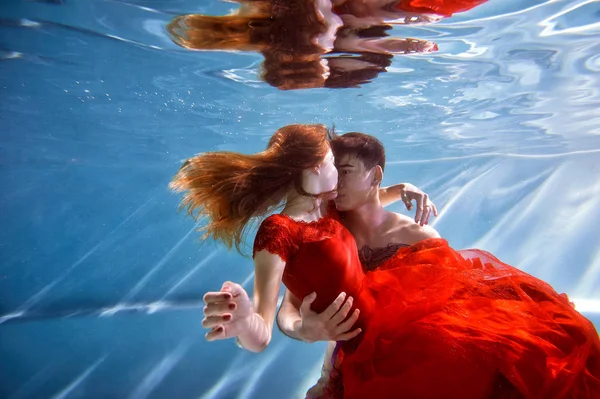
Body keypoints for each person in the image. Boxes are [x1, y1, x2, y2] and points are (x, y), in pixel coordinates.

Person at [171, 126, 600, 398]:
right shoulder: (307, 221)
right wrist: (302, 328)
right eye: (330, 167)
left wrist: (397, 188)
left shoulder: (375, 222)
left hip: (397, 341)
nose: (335, 180)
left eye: (344, 171)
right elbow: (287, 307)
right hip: (360, 351)